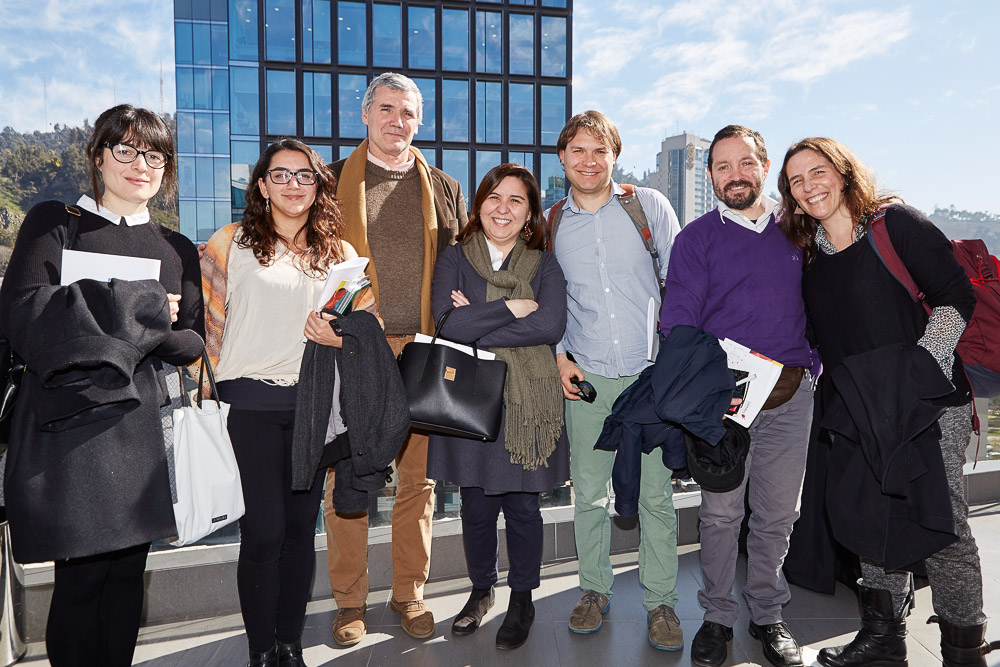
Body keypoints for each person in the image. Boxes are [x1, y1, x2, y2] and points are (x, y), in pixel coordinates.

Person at [0, 104, 204, 667]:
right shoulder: (55, 223)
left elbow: (191, 342)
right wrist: (136, 308)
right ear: (98, 156)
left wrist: (148, 325)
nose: (141, 164)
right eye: (126, 150)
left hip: (140, 430)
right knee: (80, 582)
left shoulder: (175, 248)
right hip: (70, 429)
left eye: (155, 155)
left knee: (125, 582)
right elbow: (21, 315)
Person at [778, 137, 994, 667]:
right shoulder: (811, 259)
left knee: (941, 525)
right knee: (868, 519)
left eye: (818, 171)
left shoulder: (893, 225)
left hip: (924, 402)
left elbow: (954, 295)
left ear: (844, 172)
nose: (809, 186)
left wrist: (920, 367)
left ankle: (963, 650)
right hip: (858, 409)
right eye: (796, 181)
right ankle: (882, 637)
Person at [659, 125, 816, 667]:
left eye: (744, 163)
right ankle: (717, 617)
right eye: (722, 167)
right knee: (721, 515)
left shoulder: (799, 233)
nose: (734, 176)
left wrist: (814, 366)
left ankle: (769, 615)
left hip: (792, 397)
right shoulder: (697, 238)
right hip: (724, 403)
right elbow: (677, 318)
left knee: (777, 515)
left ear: (764, 166)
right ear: (709, 177)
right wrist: (708, 383)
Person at [322, 72, 468, 646]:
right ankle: (349, 602)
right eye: (386, 109)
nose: (396, 122)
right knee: (348, 480)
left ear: (419, 121)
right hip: (356, 349)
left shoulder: (444, 187)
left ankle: (409, 593)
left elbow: (462, 260)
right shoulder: (332, 182)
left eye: (407, 113)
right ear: (365, 114)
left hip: (423, 352)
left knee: (419, 483)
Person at [200, 138, 355, 667]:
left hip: (312, 404)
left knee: (297, 531)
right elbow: (202, 323)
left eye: (305, 175)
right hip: (248, 402)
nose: (294, 184)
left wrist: (341, 337)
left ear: (319, 185)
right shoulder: (231, 242)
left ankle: (290, 645)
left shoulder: (340, 254)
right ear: (262, 185)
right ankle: (260, 651)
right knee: (262, 532)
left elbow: (365, 328)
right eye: (281, 175)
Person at [549, 110, 684, 650]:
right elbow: (548, 302)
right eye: (578, 150)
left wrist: (674, 363)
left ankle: (661, 603)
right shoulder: (551, 222)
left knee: (655, 497)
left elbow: (682, 285)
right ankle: (593, 591)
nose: (588, 160)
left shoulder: (647, 207)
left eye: (599, 150)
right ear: (562, 157)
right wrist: (559, 357)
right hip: (586, 379)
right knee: (589, 496)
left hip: (647, 380)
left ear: (614, 156)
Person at [426, 163, 569, 650]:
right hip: (469, 400)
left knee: (524, 509)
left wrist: (477, 317)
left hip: (527, 404)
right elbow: (446, 325)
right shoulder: (454, 258)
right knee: (476, 506)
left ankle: (523, 597)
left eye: (515, 201)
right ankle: (481, 589)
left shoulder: (544, 263)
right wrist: (510, 307)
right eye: (494, 198)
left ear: (529, 213)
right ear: (478, 204)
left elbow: (549, 326)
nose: (502, 209)